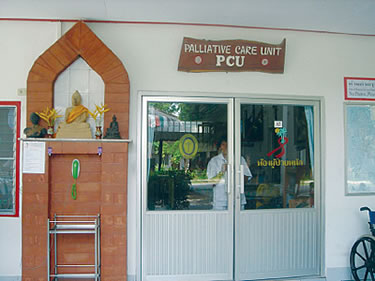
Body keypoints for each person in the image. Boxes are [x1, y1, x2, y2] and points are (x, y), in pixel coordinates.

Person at [207, 138, 252, 210]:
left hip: (237, 200)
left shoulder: (240, 159)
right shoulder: (214, 161)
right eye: (223, 144)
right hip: (220, 202)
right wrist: (222, 172)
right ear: (220, 147)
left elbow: (246, 180)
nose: (226, 147)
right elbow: (212, 182)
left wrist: (237, 170)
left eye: (228, 144)